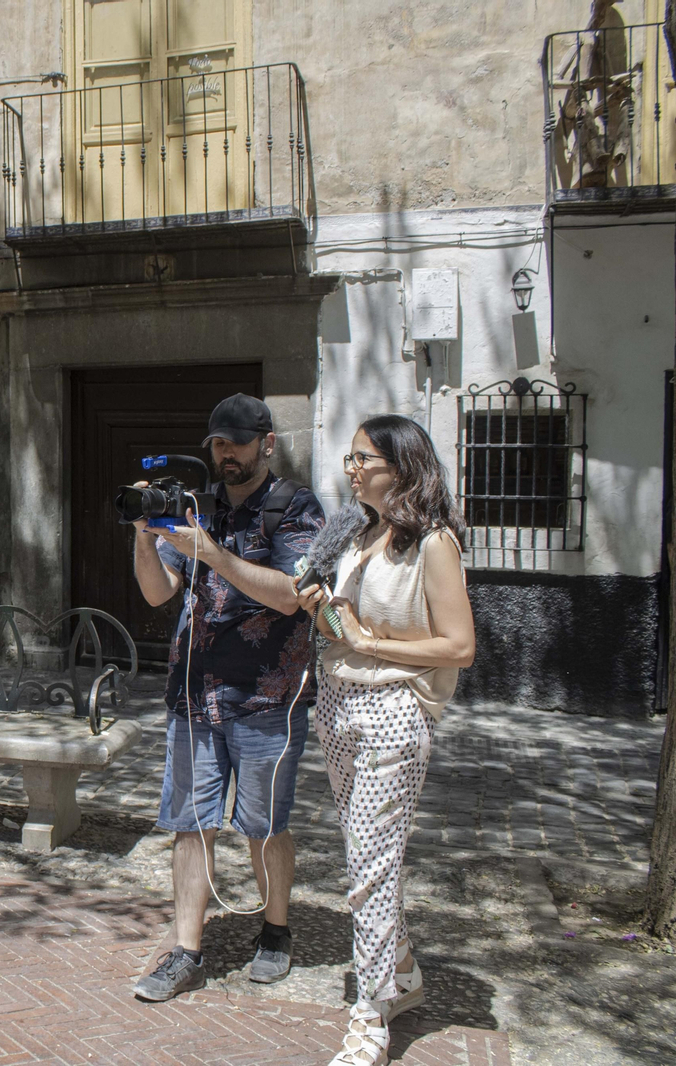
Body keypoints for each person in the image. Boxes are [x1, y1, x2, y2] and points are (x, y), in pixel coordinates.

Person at [129, 394, 326, 1002]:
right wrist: (144, 534)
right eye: (218, 443)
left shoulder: (296, 509)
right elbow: (158, 593)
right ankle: (186, 949)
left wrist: (211, 553)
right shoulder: (198, 507)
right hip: (194, 693)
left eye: (237, 443)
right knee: (189, 824)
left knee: (264, 826)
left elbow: (291, 596)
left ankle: (274, 930)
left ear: (266, 443)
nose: (226, 454)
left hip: (269, 698)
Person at [294, 415, 474, 1066]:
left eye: (363, 458)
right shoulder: (355, 532)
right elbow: (333, 614)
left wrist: (370, 642)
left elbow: (460, 645)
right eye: (349, 458)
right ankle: (402, 968)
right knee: (366, 853)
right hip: (337, 704)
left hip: (394, 711)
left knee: (370, 868)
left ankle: (370, 1015)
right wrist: (318, 603)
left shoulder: (434, 543)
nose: (351, 469)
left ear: (402, 465)